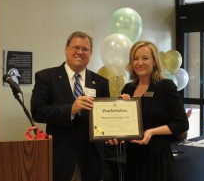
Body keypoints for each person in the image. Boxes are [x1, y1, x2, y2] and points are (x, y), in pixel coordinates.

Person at [31, 31, 110, 181]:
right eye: (75, 47)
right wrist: (71, 110)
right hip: (61, 157)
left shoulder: (100, 82)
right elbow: (38, 112)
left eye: (85, 49)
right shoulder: (46, 77)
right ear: (66, 50)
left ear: (91, 53)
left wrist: (111, 132)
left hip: (92, 159)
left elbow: (103, 118)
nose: (80, 52)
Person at [112, 40, 189, 181]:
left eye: (145, 58)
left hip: (157, 159)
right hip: (133, 159)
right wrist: (122, 112)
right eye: (135, 58)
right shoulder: (128, 89)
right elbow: (125, 125)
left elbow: (182, 124)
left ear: (154, 61)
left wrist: (151, 132)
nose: (139, 62)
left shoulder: (165, 86)